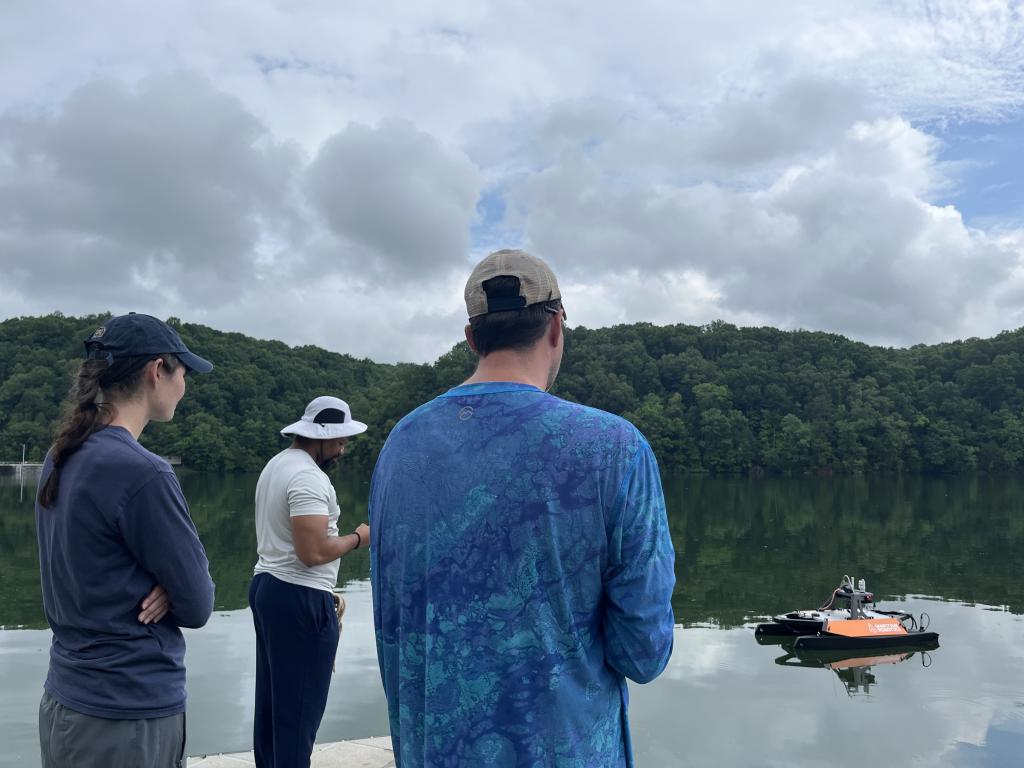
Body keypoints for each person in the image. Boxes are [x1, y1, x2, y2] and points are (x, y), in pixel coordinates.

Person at [369, 249, 677, 767]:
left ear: (472, 338)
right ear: (557, 328)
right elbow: (642, 653)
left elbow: (393, 628)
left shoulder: (401, 444)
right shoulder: (613, 448)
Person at [35, 312, 216, 768]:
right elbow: (197, 604)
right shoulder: (143, 472)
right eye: (183, 372)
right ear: (158, 371)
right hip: (127, 713)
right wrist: (171, 590)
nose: (185, 386)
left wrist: (165, 587)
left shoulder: (59, 456)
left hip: (66, 700)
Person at [249, 395, 371, 768]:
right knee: (298, 714)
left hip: (269, 587)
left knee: (273, 708)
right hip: (298, 598)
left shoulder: (277, 464)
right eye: (339, 440)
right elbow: (313, 552)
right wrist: (359, 538)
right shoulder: (306, 476)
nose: (343, 448)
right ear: (320, 437)